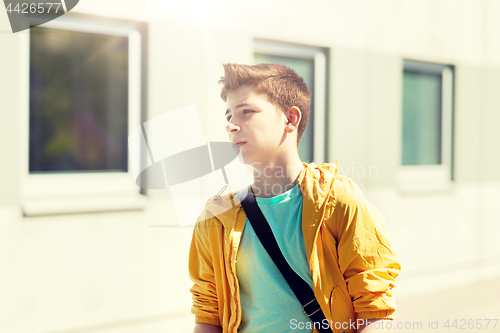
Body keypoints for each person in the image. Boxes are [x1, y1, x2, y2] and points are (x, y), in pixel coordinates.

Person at [188, 63, 401, 333]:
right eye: (229, 115)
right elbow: (208, 314)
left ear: (291, 118)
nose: (231, 125)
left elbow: (374, 311)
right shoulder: (215, 219)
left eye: (246, 112)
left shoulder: (340, 206)